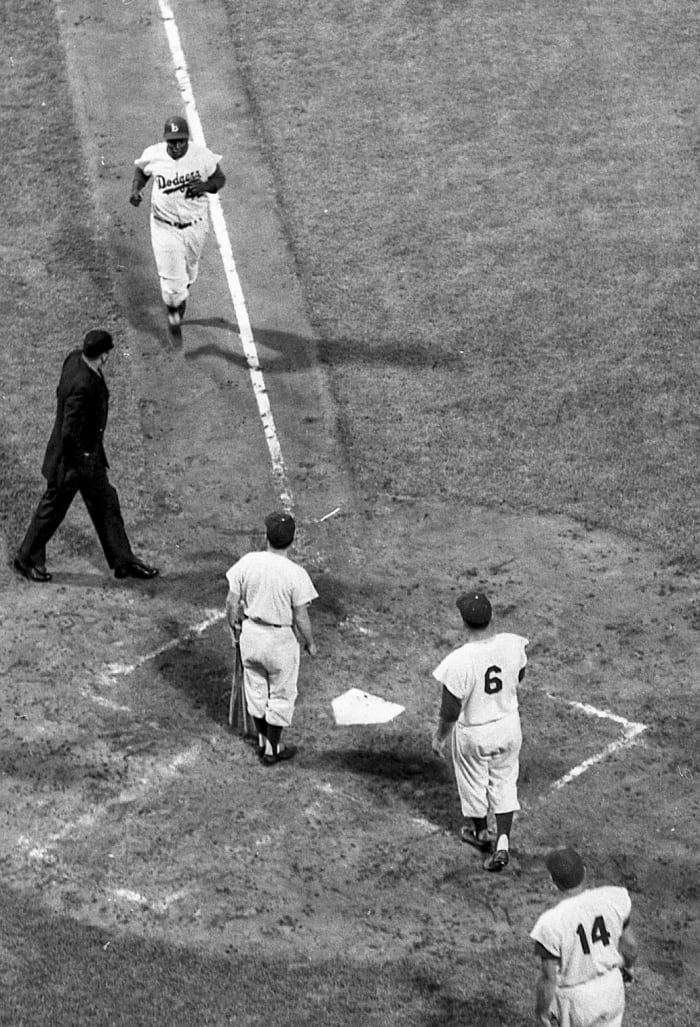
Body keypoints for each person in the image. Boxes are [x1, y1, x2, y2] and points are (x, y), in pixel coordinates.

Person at [13, 330, 159, 583]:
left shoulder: (74, 359)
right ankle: (24, 559)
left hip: (84, 461)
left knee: (106, 503)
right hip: (72, 463)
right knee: (52, 511)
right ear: (103, 356)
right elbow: (70, 432)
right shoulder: (83, 385)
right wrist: (85, 459)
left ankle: (123, 561)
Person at [431, 590, 528, 871]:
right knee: (505, 781)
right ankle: (503, 842)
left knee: (473, 784)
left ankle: (480, 832)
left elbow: (450, 710)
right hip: (509, 726)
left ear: (464, 623)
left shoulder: (459, 660)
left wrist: (439, 738)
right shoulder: (512, 644)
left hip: (474, 733)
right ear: (490, 618)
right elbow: (519, 674)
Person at [225, 512, 318, 765]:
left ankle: (265, 741)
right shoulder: (296, 573)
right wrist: (310, 643)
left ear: (266, 536)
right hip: (279, 642)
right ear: (292, 540)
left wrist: (233, 626)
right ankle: (271, 750)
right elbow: (301, 617)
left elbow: (232, 602)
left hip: (251, 636)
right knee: (281, 694)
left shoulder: (248, 561)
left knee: (255, 689)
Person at [130, 115, 226, 338]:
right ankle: (174, 313)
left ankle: (181, 292)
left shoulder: (201, 156)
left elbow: (219, 179)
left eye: (180, 141)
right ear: (166, 141)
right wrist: (135, 190)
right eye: (172, 141)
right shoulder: (153, 154)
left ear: (187, 140)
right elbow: (141, 172)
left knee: (190, 271)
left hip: (196, 226)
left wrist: (205, 185)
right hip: (164, 227)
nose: (176, 145)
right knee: (173, 284)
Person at [530, 847, 638, 1027]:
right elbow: (631, 946)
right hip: (612, 989)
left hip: (576, 1001)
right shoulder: (613, 897)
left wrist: (541, 1012)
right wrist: (629, 967)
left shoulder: (551, 923)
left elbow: (549, 979)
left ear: (553, 881)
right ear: (585, 871)